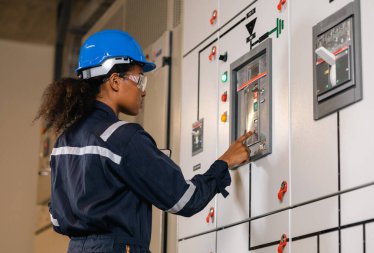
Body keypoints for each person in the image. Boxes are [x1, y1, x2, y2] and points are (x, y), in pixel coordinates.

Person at [35, 30, 252, 253]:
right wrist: (223, 163)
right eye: (139, 79)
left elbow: (57, 219)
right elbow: (186, 200)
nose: (143, 91)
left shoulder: (63, 143)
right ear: (115, 81)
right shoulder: (123, 138)